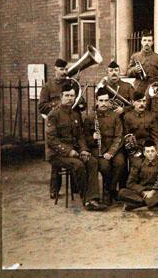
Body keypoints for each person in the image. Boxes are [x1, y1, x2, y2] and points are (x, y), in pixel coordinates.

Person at [46, 83, 106, 211]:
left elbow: (80, 136)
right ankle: (87, 200)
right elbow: (52, 140)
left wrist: (84, 149)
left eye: (72, 96)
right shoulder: (53, 115)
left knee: (92, 161)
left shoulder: (75, 114)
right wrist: (69, 151)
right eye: (67, 96)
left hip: (75, 151)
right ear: (61, 97)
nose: (70, 98)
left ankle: (93, 198)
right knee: (78, 165)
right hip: (57, 155)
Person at [84, 88, 125, 205]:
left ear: (109, 102)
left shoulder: (115, 116)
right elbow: (84, 137)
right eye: (101, 101)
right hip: (98, 149)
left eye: (106, 101)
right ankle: (108, 193)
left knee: (120, 163)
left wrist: (111, 152)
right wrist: (93, 137)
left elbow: (119, 136)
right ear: (96, 101)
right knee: (105, 167)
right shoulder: (90, 117)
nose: (103, 104)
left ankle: (110, 190)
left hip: (114, 149)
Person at [39, 58, 72, 198]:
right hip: (54, 125)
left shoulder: (70, 84)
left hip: (68, 124)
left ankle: (75, 187)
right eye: (61, 69)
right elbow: (41, 106)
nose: (64, 72)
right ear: (55, 69)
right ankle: (54, 189)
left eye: (65, 69)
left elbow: (78, 102)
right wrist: (59, 104)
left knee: (72, 152)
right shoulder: (47, 86)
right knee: (57, 159)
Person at [118, 140, 158, 211]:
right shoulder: (138, 164)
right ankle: (152, 203)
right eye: (148, 151)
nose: (150, 154)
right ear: (144, 153)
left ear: (156, 152)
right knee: (122, 192)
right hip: (140, 193)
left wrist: (153, 192)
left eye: (152, 151)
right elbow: (130, 183)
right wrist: (143, 192)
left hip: (155, 192)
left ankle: (137, 204)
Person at [123, 92, 158, 164]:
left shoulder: (151, 115)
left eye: (144, 101)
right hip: (135, 146)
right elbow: (126, 136)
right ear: (133, 102)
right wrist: (132, 148)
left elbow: (155, 135)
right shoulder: (127, 117)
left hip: (149, 145)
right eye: (139, 101)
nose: (142, 104)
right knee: (136, 164)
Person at [126, 29, 158, 95]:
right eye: (144, 40)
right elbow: (128, 73)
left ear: (152, 42)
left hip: (153, 89)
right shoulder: (135, 56)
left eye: (149, 40)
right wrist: (134, 70)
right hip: (139, 89)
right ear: (141, 42)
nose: (147, 43)